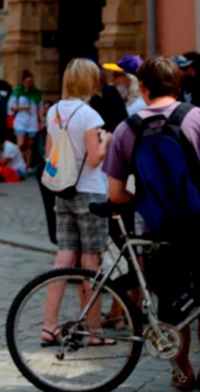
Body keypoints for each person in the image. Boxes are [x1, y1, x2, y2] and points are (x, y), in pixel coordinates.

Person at [104, 56, 200, 389]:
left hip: (159, 230)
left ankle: (182, 372)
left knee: (172, 309)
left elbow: (115, 194)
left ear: (142, 88)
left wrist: (146, 199)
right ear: (178, 85)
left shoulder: (126, 129)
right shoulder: (196, 118)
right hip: (199, 226)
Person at [40, 59, 110, 346]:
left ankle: (48, 325)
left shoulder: (53, 111)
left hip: (63, 191)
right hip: (90, 192)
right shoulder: (90, 115)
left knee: (64, 258)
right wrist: (108, 141)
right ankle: (94, 330)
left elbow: (49, 153)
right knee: (91, 261)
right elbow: (94, 158)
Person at [9, 71, 42, 173]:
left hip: (32, 120)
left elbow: (39, 108)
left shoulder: (36, 93)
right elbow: (12, 108)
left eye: (31, 81)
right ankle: (19, 162)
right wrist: (23, 107)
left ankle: (27, 165)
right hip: (20, 120)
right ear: (23, 81)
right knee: (20, 143)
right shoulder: (17, 93)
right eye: (27, 81)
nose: (29, 83)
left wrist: (41, 121)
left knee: (29, 145)